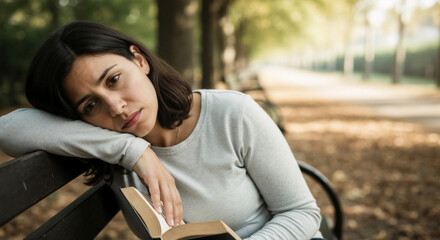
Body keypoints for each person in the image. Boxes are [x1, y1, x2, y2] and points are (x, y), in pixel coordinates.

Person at [0, 21, 323, 240]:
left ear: (139, 60)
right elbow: (8, 129)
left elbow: (302, 213)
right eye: (89, 105)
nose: (115, 107)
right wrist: (135, 153)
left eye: (113, 79)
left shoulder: (232, 114)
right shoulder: (110, 148)